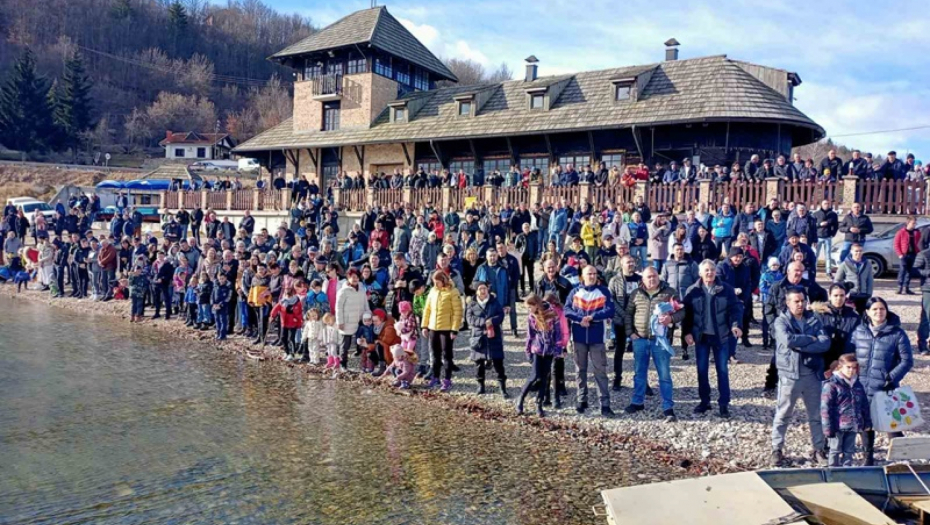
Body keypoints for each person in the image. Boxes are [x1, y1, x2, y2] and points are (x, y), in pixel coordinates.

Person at [770, 288, 831, 467]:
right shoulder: (781, 321)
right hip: (790, 375)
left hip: (812, 374)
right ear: (788, 303)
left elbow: (824, 343)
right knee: (783, 414)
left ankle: (819, 449)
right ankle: (776, 449)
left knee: (816, 415)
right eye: (796, 301)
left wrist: (803, 343)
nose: (800, 304)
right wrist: (811, 339)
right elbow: (788, 340)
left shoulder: (814, 319)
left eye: (802, 301)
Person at [851, 297, 913, 465]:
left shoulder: (897, 333)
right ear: (867, 312)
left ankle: (902, 459)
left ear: (887, 311)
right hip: (863, 385)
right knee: (866, 425)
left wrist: (890, 378)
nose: (879, 312)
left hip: (887, 387)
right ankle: (867, 458)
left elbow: (906, 361)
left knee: (893, 425)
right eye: (875, 309)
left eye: (882, 309)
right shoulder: (859, 332)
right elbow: (850, 355)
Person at [682, 260, 743, 418]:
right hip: (701, 337)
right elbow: (686, 315)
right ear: (700, 273)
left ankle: (724, 404)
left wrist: (736, 325)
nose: (709, 273)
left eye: (712, 270)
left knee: (722, 370)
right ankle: (704, 402)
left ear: (716, 272)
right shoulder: (692, 291)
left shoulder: (726, 289)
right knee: (702, 370)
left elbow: (735, 309)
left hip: (721, 336)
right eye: (706, 270)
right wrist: (687, 333)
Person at [624, 267, 684, 422]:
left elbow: (682, 311)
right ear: (642, 279)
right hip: (640, 339)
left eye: (654, 276)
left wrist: (671, 319)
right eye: (648, 277)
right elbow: (628, 314)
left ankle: (668, 407)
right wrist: (630, 333)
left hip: (660, 340)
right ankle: (637, 402)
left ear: (659, 276)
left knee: (664, 374)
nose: (652, 279)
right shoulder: (636, 294)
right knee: (639, 373)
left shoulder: (669, 292)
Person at [762, 261, 828, 395]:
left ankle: (806, 386)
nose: (798, 273)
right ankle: (770, 385)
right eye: (796, 270)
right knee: (777, 359)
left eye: (801, 271)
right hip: (783, 328)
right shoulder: (777, 287)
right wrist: (774, 327)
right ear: (788, 271)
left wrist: (815, 307)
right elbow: (768, 308)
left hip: (804, 327)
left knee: (806, 357)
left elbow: (824, 296)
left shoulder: (809, 285)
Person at [564, 265, 615, 416]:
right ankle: (581, 399)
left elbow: (610, 310)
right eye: (589, 274)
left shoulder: (604, 291)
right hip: (579, 336)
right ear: (583, 276)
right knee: (580, 370)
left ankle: (605, 404)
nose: (592, 276)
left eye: (594, 273)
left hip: (597, 337)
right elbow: (567, 310)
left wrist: (592, 317)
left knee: (600, 371)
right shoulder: (574, 291)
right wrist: (580, 318)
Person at [820, 354, 871, 467]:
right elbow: (825, 409)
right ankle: (833, 471)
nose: (851, 370)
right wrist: (827, 428)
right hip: (837, 426)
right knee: (835, 450)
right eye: (848, 367)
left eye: (854, 367)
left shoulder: (857, 384)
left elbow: (864, 405)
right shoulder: (831, 385)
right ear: (840, 367)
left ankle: (847, 471)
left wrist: (866, 422)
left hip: (853, 424)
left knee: (849, 451)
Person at [518, 293, 564, 417]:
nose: (528, 310)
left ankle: (539, 404)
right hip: (537, 349)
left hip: (549, 350)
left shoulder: (552, 314)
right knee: (534, 376)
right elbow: (530, 335)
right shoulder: (531, 317)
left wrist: (559, 349)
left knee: (544, 378)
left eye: (529, 307)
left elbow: (558, 333)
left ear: (536, 305)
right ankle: (521, 399)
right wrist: (527, 350)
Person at [421, 270, 464, 392]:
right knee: (434, 355)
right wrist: (425, 326)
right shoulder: (432, 292)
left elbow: (457, 312)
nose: (436, 285)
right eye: (434, 282)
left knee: (447, 355)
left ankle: (447, 379)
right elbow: (427, 309)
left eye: (438, 282)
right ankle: (435, 377)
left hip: (446, 328)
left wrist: (454, 329)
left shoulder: (453, 292)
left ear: (443, 280)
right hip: (433, 327)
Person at [466, 281, 508, 398]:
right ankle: (481, 385)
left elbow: (501, 315)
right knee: (479, 363)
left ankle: (502, 387)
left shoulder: (494, 301)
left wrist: (492, 321)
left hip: (494, 335)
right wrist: (484, 322)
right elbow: (469, 319)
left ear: (487, 289)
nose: (483, 291)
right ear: (476, 291)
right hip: (478, 336)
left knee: (498, 362)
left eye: (484, 288)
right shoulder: (472, 304)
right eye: (480, 289)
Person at [812, 284, 861, 369]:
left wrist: (841, 361)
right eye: (836, 295)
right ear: (830, 296)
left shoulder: (854, 317)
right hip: (822, 361)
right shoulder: (819, 315)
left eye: (842, 295)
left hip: (845, 364)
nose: (839, 298)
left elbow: (853, 342)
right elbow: (816, 339)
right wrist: (829, 361)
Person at [335, 268, 370, 372]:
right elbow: (338, 307)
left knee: (362, 343)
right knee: (345, 344)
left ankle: (364, 364)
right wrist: (339, 322)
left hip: (360, 320)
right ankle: (343, 364)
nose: (355, 279)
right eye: (352, 277)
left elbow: (365, 304)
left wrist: (368, 314)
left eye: (357, 277)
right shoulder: (343, 291)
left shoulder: (362, 289)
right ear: (348, 277)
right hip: (347, 321)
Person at [833, 243, 873, 314]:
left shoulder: (867, 264)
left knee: (863, 315)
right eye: (856, 251)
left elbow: (870, 280)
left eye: (860, 251)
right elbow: (837, 280)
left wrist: (869, 293)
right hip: (850, 295)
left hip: (863, 294)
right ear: (851, 251)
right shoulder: (844, 264)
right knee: (849, 314)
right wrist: (844, 291)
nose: (858, 253)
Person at [893, 215, 921, 295]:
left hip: (913, 254)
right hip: (904, 254)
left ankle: (906, 287)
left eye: (915, 223)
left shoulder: (916, 232)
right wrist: (900, 254)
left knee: (909, 271)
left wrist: (917, 251)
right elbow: (896, 244)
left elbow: (917, 242)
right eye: (913, 223)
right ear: (908, 223)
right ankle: (899, 287)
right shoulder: (901, 232)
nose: (914, 225)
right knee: (902, 270)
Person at [812, 200, 839, 275]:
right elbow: (812, 226)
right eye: (825, 203)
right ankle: (814, 270)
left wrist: (833, 234)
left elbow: (836, 225)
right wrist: (820, 224)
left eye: (827, 203)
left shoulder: (833, 214)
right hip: (818, 237)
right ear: (821, 204)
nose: (826, 205)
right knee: (815, 254)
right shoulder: (816, 214)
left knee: (828, 255)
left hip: (828, 237)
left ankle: (828, 271)